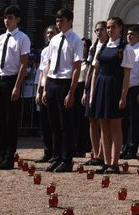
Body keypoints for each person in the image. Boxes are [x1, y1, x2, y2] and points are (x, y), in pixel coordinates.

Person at [0, 5, 33, 170]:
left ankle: (9, 156)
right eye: (5, 17)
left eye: (10, 17)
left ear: (17, 19)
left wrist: (17, 86)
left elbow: (23, 63)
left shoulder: (22, 38)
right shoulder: (1, 39)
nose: (7, 21)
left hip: (11, 80)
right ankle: (1, 154)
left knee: (10, 120)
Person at [36, 9, 81, 172]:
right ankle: (56, 156)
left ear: (69, 21)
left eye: (61, 20)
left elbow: (76, 67)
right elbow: (48, 64)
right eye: (57, 20)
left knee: (65, 124)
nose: (58, 23)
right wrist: (46, 87)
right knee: (53, 123)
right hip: (53, 82)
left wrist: (71, 92)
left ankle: (67, 159)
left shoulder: (75, 40)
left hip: (65, 82)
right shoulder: (54, 40)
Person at [87, 16, 129, 173]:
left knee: (115, 125)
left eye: (113, 27)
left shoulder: (125, 48)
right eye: (108, 27)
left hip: (115, 87)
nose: (110, 30)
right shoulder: (102, 46)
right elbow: (96, 71)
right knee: (103, 124)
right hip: (101, 87)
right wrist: (92, 94)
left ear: (120, 28)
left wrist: (123, 96)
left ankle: (115, 163)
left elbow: (127, 75)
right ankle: (105, 161)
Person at [82, 21, 107, 166]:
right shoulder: (93, 47)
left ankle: (103, 153)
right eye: (96, 30)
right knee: (92, 119)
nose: (99, 32)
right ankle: (95, 152)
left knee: (102, 121)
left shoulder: (108, 46)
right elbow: (91, 68)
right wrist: (86, 89)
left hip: (102, 83)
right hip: (91, 82)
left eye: (101, 30)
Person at [121, 26, 139, 161]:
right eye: (128, 34)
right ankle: (124, 146)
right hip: (125, 88)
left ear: (138, 36)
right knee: (123, 120)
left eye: (132, 34)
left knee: (134, 121)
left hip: (135, 87)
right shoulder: (125, 49)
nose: (129, 36)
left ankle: (132, 148)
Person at [34, 25, 59, 162]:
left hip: (52, 86)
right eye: (48, 33)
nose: (49, 35)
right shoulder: (44, 51)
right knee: (44, 123)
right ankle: (47, 150)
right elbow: (41, 71)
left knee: (53, 122)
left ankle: (56, 151)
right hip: (44, 86)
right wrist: (38, 90)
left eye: (52, 32)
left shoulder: (57, 48)